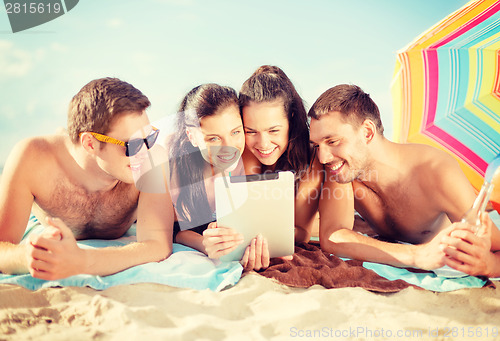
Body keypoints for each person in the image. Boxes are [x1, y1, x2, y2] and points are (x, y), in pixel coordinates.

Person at [307, 83, 500, 276]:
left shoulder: (436, 172)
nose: (323, 157)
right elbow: (333, 236)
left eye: (332, 142)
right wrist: (416, 255)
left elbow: (496, 249)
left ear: (367, 132)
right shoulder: (342, 169)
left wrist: (489, 266)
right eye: (317, 145)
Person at [0, 78, 173, 280]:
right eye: (133, 145)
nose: (145, 152)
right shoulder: (33, 158)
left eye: (149, 138)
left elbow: (158, 245)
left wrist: (81, 261)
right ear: (90, 143)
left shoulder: (152, 159)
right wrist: (29, 256)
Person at [202, 65, 323, 264]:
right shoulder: (244, 148)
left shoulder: (312, 157)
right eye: (251, 131)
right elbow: (240, 214)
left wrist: (265, 237)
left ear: (291, 119)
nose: (263, 144)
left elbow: (302, 232)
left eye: (273, 130)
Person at [167, 83, 268, 271]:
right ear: (192, 136)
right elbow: (174, 230)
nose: (229, 147)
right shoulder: (177, 163)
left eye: (236, 132)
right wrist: (204, 244)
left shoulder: (248, 161)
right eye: (214, 138)